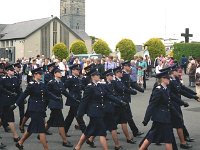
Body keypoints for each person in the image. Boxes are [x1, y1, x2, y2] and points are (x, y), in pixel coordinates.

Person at [74, 68, 124, 150]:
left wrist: (120, 102)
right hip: (94, 113)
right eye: (97, 75)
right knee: (102, 133)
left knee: (88, 131)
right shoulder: (89, 87)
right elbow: (84, 102)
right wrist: (80, 114)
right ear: (92, 77)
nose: (99, 76)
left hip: (100, 111)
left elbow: (108, 96)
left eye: (99, 75)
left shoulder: (100, 85)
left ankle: (77, 147)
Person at [10, 67, 59, 150]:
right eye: (39, 74)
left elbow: (48, 93)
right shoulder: (31, 84)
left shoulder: (42, 84)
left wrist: (56, 98)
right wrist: (15, 104)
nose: (41, 75)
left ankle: (20, 143)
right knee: (41, 130)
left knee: (30, 129)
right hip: (34, 109)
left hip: (40, 108)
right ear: (35, 75)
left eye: (41, 74)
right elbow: (23, 95)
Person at [139, 70, 178, 150]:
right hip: (161, 118)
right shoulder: (158, 90)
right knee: (168, 139)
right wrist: (146, 119)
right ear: (163, 79)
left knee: (152, 136)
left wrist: (177, 114)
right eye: (168, 78)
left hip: (164, 117)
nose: (169, 80)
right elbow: (152, 105)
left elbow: (168, 103)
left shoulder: (165, 89)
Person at [44, 67, 73, 147]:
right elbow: (47, 93)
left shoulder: (60, 82)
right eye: (59, 72)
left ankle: (41, 134)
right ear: (55, 74)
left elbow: (64, 92)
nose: (60, 73)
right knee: (61, 122)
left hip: (58, 104)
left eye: (61, 72)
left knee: (51, 121)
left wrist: (73, 99)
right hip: (54, 104)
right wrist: (53, 98)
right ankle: (65, 141)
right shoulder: (51, 82)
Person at [121, 61, 144, 137]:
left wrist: (140, 89)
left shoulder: (126, 74)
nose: (130, 68)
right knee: (127, 116)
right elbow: (123, 88)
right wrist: (132, 91)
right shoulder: (122, 75)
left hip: (125, 98)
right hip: (123, 98)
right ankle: (135, 131)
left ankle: (135, 131)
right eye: (129, 66)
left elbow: (132, 83)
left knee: (127, 116)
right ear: (125, 66)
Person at [0, 64, 20, 142]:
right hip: (4, 101)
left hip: (11, 101)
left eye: (13, 70)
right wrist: (10, 93)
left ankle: (15, 135)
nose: (13, 71)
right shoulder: (3, 79)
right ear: (7, 71)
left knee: (4, 118)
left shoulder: (15, 78)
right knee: (9, 118)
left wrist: (21, 98)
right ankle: (15, 136)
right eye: (11, 70)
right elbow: (1, 89)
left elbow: (18, 89)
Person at [64, 64, 86, 135]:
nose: (79, 71)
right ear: (73, 70)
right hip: (73, 100)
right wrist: (70, 96)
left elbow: (82, 87)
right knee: (78, 116)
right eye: (77, 70)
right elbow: (64, 88)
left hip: (78, 99)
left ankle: (64, 131)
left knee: (70, 117)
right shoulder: (70, 79)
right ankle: (86, 134)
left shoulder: (78, 78)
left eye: (79, 70)